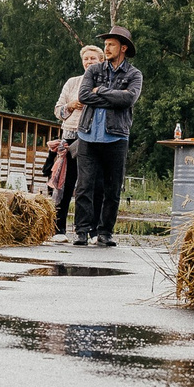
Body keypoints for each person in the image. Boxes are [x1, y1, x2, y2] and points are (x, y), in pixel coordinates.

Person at [67, 28, 141, 246]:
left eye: (111, 44)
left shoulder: (133, 74)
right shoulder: (94, 70)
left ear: (123, 48)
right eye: (106, 44)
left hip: (116, 136)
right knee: (84, 186)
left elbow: (128, 100)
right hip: (88, 134)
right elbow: (83, 96)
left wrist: (100, 92)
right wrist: (111, 96)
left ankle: (105, 232)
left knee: (112, 188)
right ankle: (81, 231)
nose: (106, 48)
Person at [50, 43, 99, 239]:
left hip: (92, 136)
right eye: (86, 58)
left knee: (89, 185)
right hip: (69, 135)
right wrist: (71, 105)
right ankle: (58, 229)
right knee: (64, 184)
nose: (89, 62)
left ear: (100, 61)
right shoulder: (72, 83)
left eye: (93, 58)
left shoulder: (103, 82)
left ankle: (91, 229)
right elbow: (58, 111)